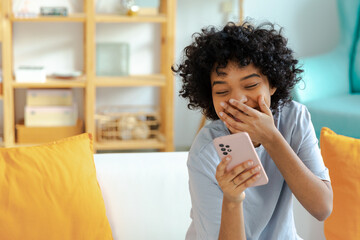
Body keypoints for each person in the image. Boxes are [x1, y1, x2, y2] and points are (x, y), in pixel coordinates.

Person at [172, 22, 333, 240]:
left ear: (272, 85)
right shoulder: (205, 151)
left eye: (250, 86)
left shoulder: (293, 119)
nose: (237, 99)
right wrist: (232, 198)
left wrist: (271, 138)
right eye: (222, 90)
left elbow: (322, 207)